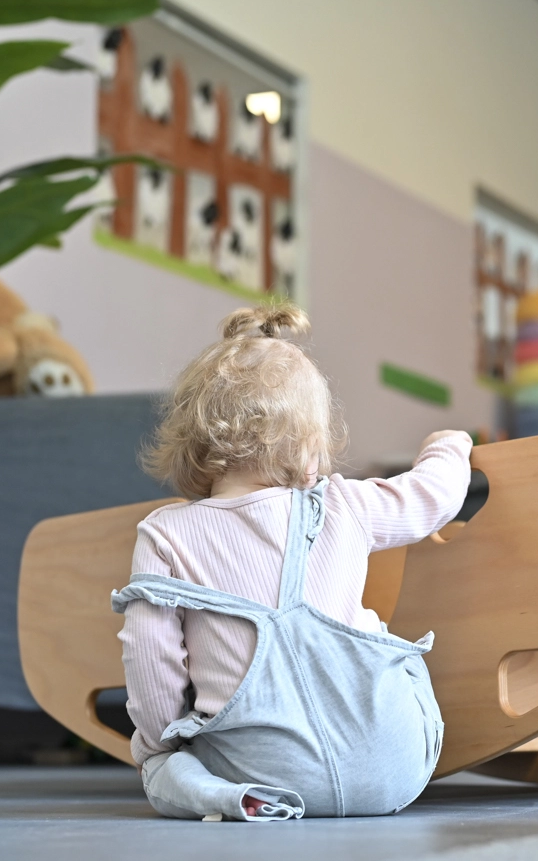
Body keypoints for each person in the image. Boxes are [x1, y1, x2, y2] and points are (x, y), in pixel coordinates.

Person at [116, 304, 471, 821]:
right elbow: (435, 496)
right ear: (311, 451)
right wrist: (449, 446)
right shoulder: (345, 504)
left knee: (162, 762)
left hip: (257, 770)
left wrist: (158, 743)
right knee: (391, 650)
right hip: (395, 770)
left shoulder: (165, 533)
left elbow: (150, 661)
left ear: (191, 444)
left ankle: (234, 800)